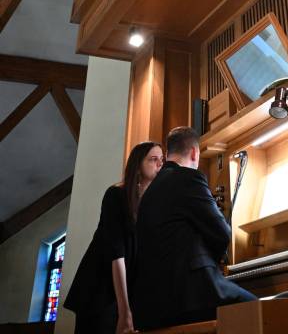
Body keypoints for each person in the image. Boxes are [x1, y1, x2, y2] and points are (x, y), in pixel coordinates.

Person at [132, 126, 255, 330]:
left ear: (168, 153)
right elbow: (222, 233)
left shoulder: (150, 191)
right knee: (257, 309)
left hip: (151, 305)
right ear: (194, 152)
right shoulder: (189, 178)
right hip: (187, 297)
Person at [63, 141, 164, 334]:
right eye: (153, 159)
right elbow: (117, 256)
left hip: (126, 290)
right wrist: (124, 311)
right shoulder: (116, 195)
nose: (160, 164)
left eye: (162, 159)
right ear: (138, 166)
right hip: (99, 290)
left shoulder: (152, 204)